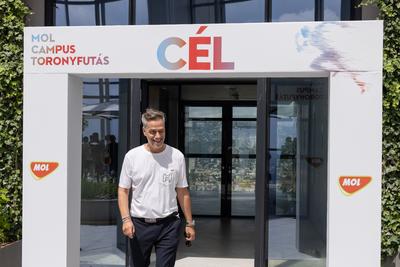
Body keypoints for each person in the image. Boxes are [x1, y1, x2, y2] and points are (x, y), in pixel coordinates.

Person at [118, 108, 195, 267]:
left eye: (161, 131)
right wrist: (126, 220)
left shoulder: (177, 156)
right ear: (144, 131)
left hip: (169, 224)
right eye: (153, 132)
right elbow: (123, 190)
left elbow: (183, 192)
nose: (158, 136)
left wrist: (189, 223)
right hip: (139, 225)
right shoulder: (132, 156)